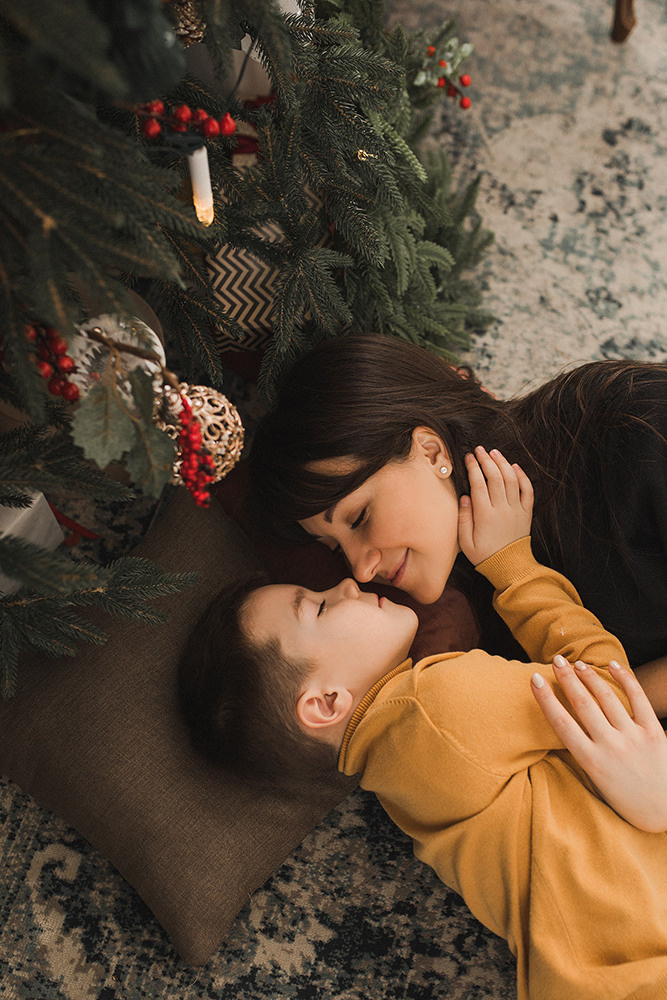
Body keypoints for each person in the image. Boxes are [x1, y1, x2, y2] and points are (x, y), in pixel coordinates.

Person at [180, 449, 667, 1000]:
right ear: (326, 702)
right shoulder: (433, 707)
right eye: (316, 607)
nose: (345, 584)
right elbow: (611, 691)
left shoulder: (395, 776)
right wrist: (513, 566)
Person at [248, 333, 667, 693]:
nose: (359, 570)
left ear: (432, 452)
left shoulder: (628, 429)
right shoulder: (484, 599)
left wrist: (616, 711)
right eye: (336, 548)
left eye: (359, 518)